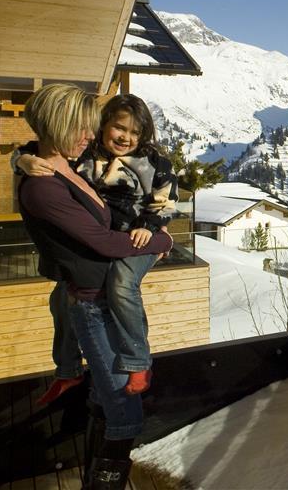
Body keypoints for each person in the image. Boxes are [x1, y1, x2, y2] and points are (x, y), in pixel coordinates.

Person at [18, 84, 174, 488]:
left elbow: (162, 197)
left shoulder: (65, 164)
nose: (90, 136)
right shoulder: (43, 184)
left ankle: (93, 466)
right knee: (125, 414)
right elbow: (104, 243)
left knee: (107, 400)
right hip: (91, 304)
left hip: (100, 295)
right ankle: (103, 483)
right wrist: (162, 242)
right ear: (60, 125)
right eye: (84, 128)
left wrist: (23, 156)